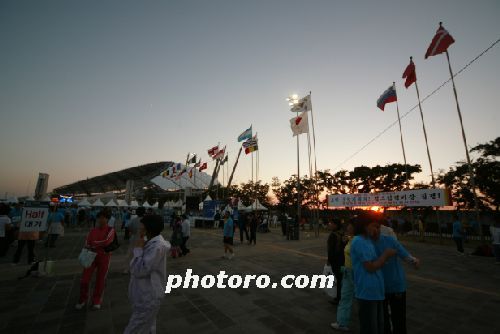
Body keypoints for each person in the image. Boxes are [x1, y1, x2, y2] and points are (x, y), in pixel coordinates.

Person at [123, 214, 171, 334]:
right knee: (148, 327)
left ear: (149, 229)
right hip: (143, 295)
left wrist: (138, 249)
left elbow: (139, 270)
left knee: (134, 329)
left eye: (142, 227)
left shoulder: (156, 247)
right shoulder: (150, 242)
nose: (140, 229)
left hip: (148, 297)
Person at [351, 214, 397, 334]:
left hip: (376, 290)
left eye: (378, 227)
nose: (376, 230)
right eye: (374, 226)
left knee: (378, 326)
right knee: (370, 327)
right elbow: (370, 267)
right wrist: (385, 255)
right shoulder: (359, 241)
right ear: (365, 226)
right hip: (367, 291)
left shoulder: (368, 240)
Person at [372, 220, 420, 334]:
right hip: (387, 286)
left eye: (377, 227)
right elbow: (407, 257)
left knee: (389, 318)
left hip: (389, 285)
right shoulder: (369, 242)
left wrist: (414, 261)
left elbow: (406, 256)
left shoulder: (373, 242)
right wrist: (414, 261)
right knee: (392, 318)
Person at [75, 209, 116, 310]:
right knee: (84, 279)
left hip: (104, 257)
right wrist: (93, 245)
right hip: (90, 256)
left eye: (104, 218)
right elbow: (87, 243)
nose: (101, 220)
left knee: (100, 280)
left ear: (108, 219)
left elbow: (107, 242)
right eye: (100, 217)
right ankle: (82, 299)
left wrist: (93, 244)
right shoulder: (92, 230)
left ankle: (96, 300)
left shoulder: (111, 230)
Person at [331, 221, 355, 331]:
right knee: (347, 296)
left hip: (350, 271)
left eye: (350, 225)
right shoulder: (349, 238)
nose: (348, 227)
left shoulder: (357, 241)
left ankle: (342, 322)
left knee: (346, 297)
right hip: (347, 269)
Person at [327, 218, 345, 304]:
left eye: (331, 223)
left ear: (336, 225)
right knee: (341, 278)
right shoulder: (342, 234)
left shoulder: (333, 235)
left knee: (339, 279)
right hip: (343, 261)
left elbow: (331, 250)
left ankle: (339, 298)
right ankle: (340, 296)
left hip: (336, 261)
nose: (330, 225)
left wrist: (329, 260)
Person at [123, 207, 145, 274]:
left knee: (130, 254)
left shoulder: (133, 220)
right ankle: (139, 268)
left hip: (134, 237)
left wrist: (132, 232)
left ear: (137, 213)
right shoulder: (145, 220)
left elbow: (127, 227)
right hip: (143, 238)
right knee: (141, 254)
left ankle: (127, 269)